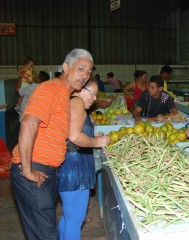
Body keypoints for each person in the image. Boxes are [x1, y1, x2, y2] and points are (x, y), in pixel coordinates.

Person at [10, 48, 94, 240]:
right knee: (46, 235)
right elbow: (28, 122)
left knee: (43, 233)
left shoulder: (64, 96)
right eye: (80, 69)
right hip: (34, 171)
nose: (85, 75)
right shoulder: (51, 89)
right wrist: (28, 169)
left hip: (48, 172)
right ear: (65, 67)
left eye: (89, 71)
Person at [58, 79, 110, 240]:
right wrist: (96, 142)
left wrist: (91, 136)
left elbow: (71, 131)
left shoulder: (73, 102)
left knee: (69, 217)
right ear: (80, 89)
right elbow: (73, 137)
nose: (94, 98)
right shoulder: (77, 102)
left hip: (72, 165)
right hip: (74, 169)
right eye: (92, 93)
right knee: (75, 219)